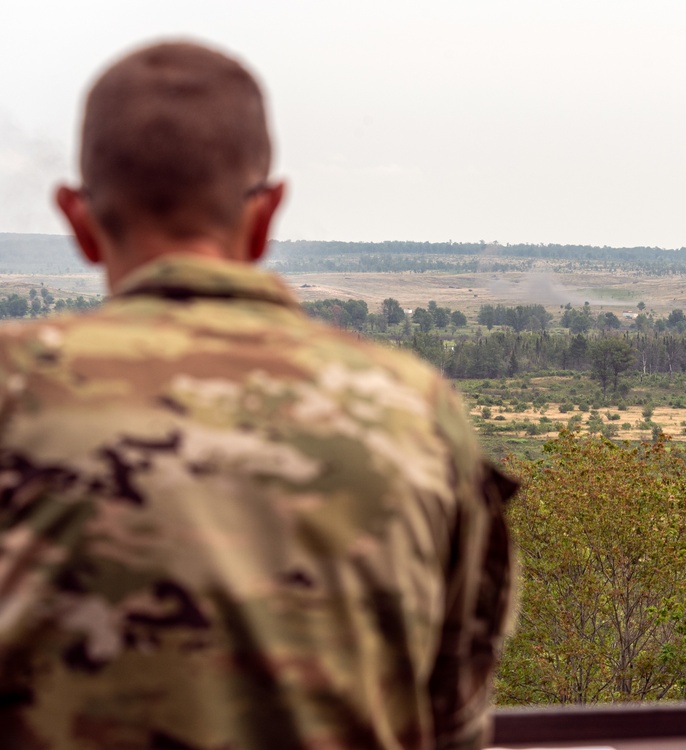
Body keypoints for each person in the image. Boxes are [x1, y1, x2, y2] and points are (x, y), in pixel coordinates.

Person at [0, 41, 516, 750]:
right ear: (269, 212)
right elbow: (453, 718)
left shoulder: (14, 389)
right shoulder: (413, 408)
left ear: (77, 219)